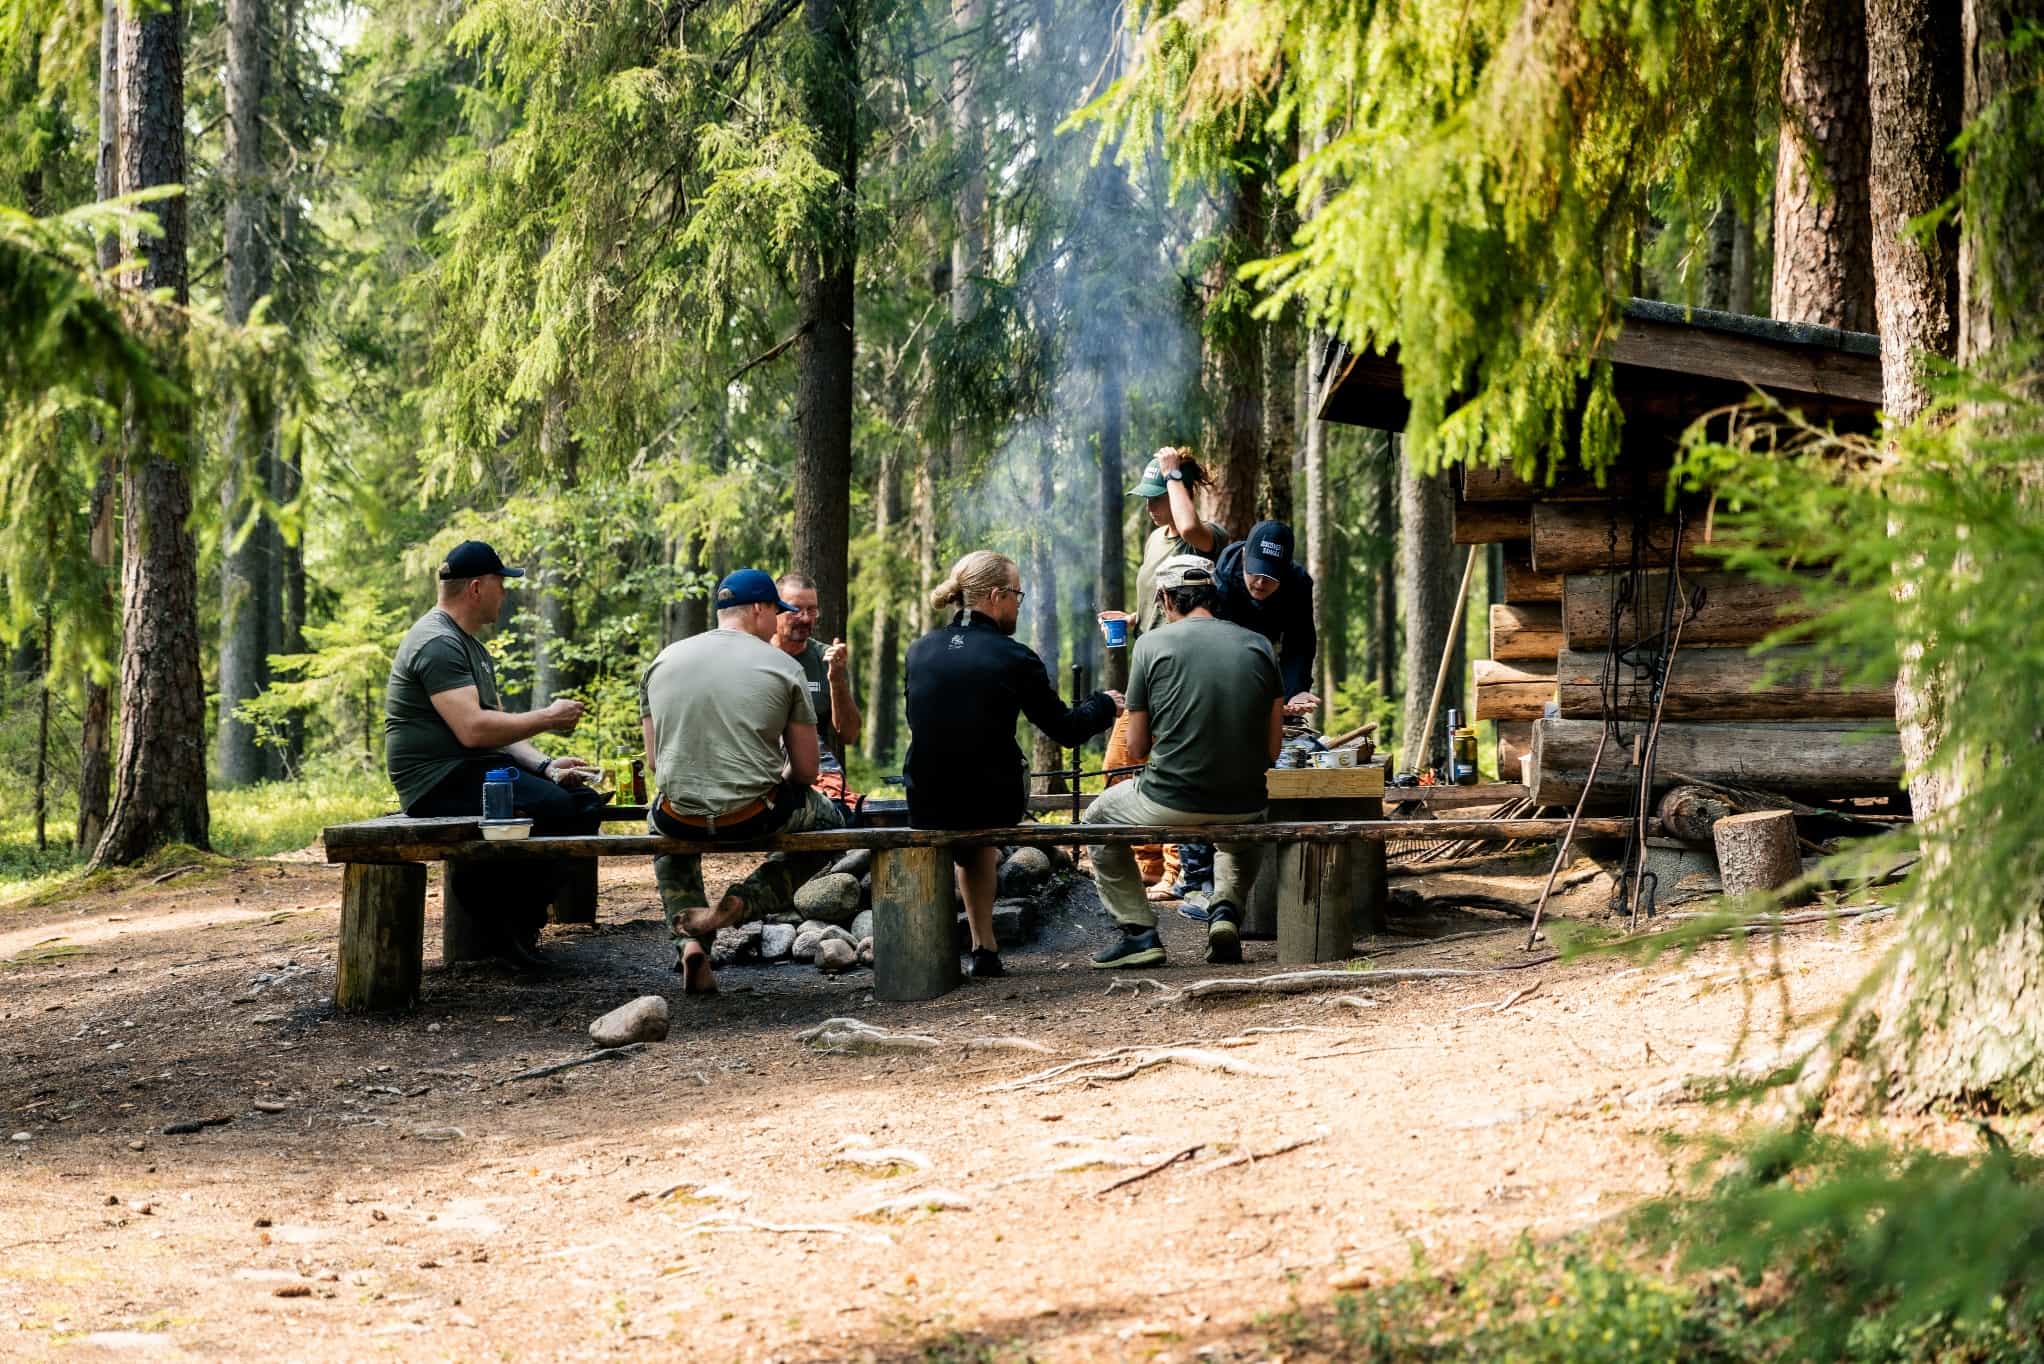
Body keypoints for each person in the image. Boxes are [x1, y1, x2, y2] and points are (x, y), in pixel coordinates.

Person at [384, 539, 602, 966]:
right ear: (478, 588)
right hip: (437, 781)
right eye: (502, 584)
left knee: (582, 802)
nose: (506, 593)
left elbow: (496, 729)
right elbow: (472, 730)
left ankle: (514, 916)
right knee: (557, 810)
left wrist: (545, 765)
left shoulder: (471, 646)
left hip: (474, 769)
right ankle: (500, 918)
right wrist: (547, 717)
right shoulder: (437, 642)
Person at [904, 551, 1121, 978]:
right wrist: (1104, 704)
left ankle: (980, 946)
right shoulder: (1013, 656)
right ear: (997, 595)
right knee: (978, 819)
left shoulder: (919, 650)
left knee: (964, 828)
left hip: (924, 799)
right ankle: (982, 945)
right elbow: (1067, 729)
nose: (1020, 604)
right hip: (990, 800)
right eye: (1018, 594)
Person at [640, 568, 847, 993]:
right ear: (759, 609)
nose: (779, 622)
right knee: (834, 827)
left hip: (680, 815)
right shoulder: (782, 667)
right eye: (778, 611)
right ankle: (738, 905)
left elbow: (656, 763)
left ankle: (692, 943)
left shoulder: (662, 662)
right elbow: (808, 773)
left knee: (660, 830)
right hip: (753, 815)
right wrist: (779, 785)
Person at [1085, 555, 1284, 970]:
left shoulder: (1150, 645)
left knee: (1096, 819)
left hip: (1169, 797)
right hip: (1245, 800)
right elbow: (1271, 750)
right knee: (1240, 825)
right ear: (1214, 596)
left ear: (1163, 599)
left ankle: (1139, 933)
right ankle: (1225, 911)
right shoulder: (1259, 644)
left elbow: (1137, 748)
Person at [1096, 446, 1229, 896]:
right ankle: (1149, 862)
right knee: (1120, 761)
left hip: (1183, 670)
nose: (1151, 507)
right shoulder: (1155, 541)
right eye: (1148, 498)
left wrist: (1173, 474)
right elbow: (1159, 600)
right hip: (1148, 663)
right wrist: (1131, 620)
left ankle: (1178, 871)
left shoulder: (1203, 535)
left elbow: (1190, 524)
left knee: (1166, 762)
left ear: (1179, 491)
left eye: (1158, 496)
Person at [771, 571, 863, 806]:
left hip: (812, 770)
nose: (805, 618)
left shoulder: (825, 658)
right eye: (795, 609)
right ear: (775, 609)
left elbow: (849, 735)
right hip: (762, 764)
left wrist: (836, 679)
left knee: (845, 808)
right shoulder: (755, 654)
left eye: (812, 610)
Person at [1213, 520, 1320, 716]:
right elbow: (1214, 641)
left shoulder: (1298, 583)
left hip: (1269, 646)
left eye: (1271, 576)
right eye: (1255, 571)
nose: (1261, 582)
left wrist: (1294, 692)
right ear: (1244, 557)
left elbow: (1300, 644)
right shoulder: (1223, 574)